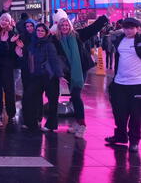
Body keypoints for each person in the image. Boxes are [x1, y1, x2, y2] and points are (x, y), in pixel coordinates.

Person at [52, 15, 108, 138]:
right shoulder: (55, 39)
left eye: (66, 25)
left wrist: (105, 17)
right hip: (67, 71)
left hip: (80, 69)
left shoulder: (77, 35)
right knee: (73, 97)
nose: (65, 27)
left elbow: (92, 29)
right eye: (62, 25)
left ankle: (82, 125)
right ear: (59, 27)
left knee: (76, 95)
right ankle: (77, 123)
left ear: (70, 26)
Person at [19, 24, 65, 132]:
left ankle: (51, 125)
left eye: (42, 31)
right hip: (37, 76)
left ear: (46, 33)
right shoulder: (32, 44)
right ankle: (31, 122)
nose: (39, 32)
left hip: (49, 76)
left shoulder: (49, 45)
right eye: (38, 30)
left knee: (53, 101)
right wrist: (21, 53)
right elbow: (28, 59)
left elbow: (54, 61)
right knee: (29, 97)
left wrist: (60, 76)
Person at [105, 18, 141, 153]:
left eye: (132, 28)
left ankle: (134, 141)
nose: (129, 30)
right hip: (119, 83)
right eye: (126, 28)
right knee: (119, 113)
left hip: (137, 84)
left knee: (136, 115)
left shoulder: (139, 41)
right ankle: (120, 136)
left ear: (137, 28)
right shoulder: (120, 39)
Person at [0, 13, 20, 124]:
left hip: (8, 66)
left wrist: (7, 42)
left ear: (10, 21)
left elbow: (13, 53)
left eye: (6, 20)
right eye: (2, 19)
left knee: (9, 90)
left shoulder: (13, 34)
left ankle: (11, 114)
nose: (4, 21)